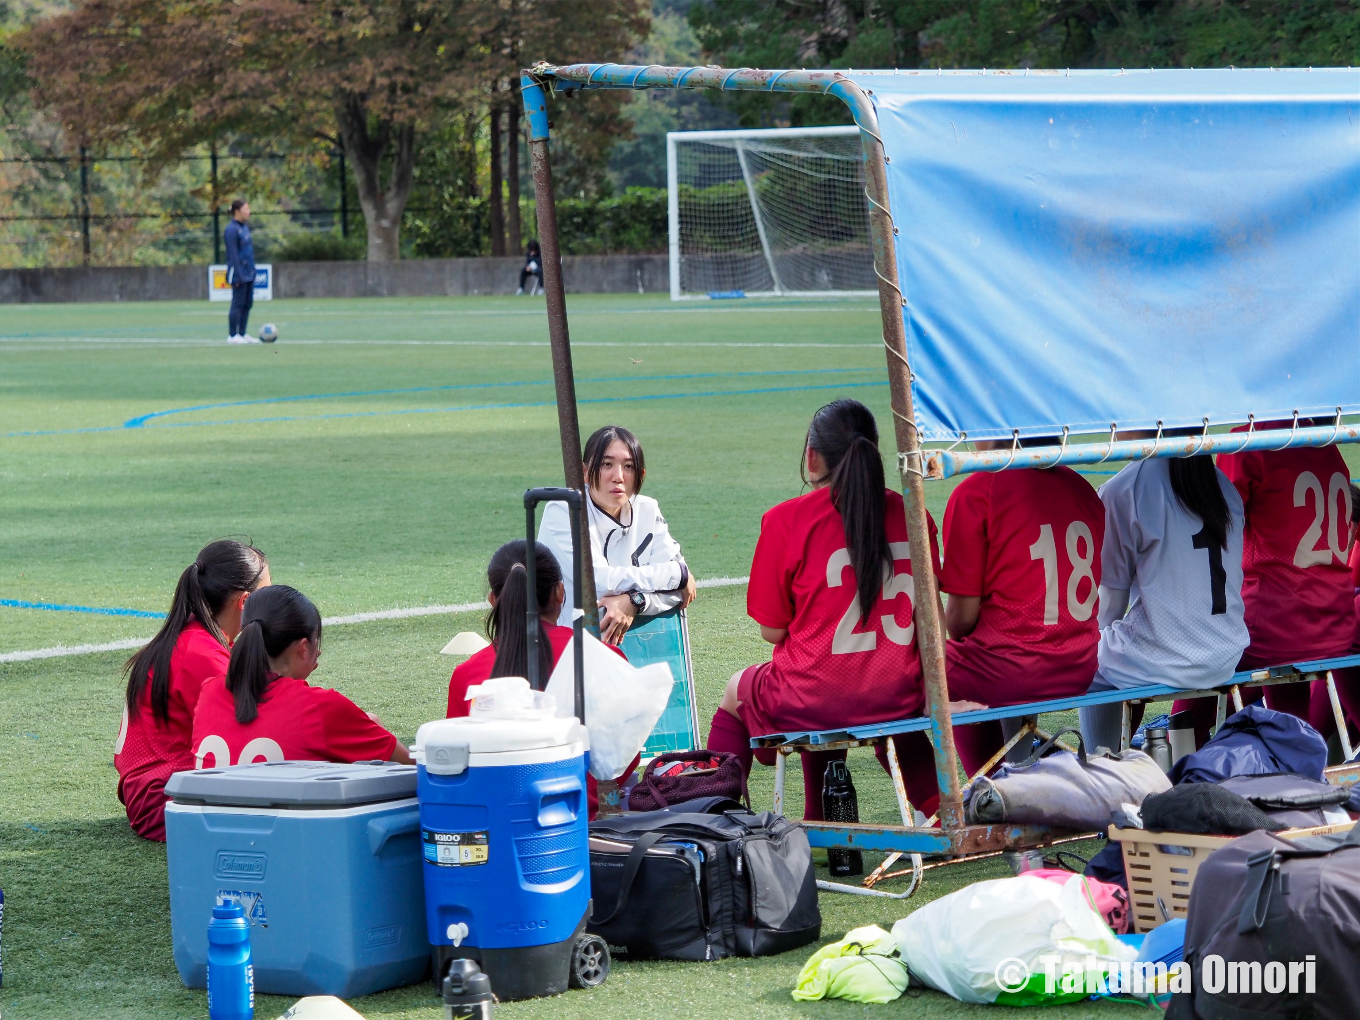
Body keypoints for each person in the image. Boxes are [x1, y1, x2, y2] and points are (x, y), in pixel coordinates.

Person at [705, 399, 944, 820]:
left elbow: (773, 630)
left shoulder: (786, 520)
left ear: (812, 458)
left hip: (814, 698)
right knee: (869, 692)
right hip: (898, 693)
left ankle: (715, 816)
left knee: (740, 690)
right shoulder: (914, 515)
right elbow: (932, 622)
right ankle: (944, 810)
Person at [1170, 432, 1357, 742]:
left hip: (1274, 625)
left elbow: (1215, 527)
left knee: (1199, 668)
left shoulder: (1250, 443)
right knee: (1283, 686)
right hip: (1332, 623)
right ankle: (1294, 751)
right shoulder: (1328, 446)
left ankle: (1173, 757)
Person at [940, 449, 1105, 775]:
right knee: (1003, 647)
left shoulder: (979, 490)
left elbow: (959, 623)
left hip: (1010, 672)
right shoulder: (1082, 488)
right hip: (1079, 665)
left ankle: (991, 786)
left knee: (914, 674)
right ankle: (1014, 769)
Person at [447, 539, 636, 818]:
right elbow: (625, 757)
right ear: (560, 592)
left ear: (493, 600)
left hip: (496, 826)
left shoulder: (466, 675)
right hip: (582, 824)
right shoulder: (603, 657)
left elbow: (458, 768)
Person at [1079, 449, 1248, 753]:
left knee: (1087, 659)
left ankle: (1101, 763)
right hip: (1227, 652)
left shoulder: (1127, 488)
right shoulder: (1224, 486)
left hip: (1168, 656)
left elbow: (1110, 605)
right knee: (1123, 650)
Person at [114, 539, 269, 840]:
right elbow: (258, 730)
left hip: (157, 793)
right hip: (167, 802)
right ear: (245, 601)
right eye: (268, 593)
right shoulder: (202, 654)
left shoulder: (193, 636)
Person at [192, 585, 412, 766]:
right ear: (304, 648)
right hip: (284, 810)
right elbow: (410, 767)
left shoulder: (210, 691)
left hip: (208, 809)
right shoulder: (320, 708)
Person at [538, 425, 696, 646]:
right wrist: (676, 573)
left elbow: (680, 592)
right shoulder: (562, 511)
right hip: (565, 647)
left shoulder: (648, 509)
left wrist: (635, 601)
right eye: (607, 464)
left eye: (628, 466)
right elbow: (597, 581)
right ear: (584, 472)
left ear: (641, 475)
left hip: (631, 647)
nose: (618, 477)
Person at [224, 199, 258, 344]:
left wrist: (252, 271)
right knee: (237, 304)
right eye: (246, 209)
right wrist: (239, 275)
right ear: (237, 211)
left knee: (247, 303)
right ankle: (233, 336)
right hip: (239, 273)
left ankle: (242, 334)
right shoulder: (231, 229)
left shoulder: (244, 228)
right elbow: (233, 255)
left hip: (249, 272)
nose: (249, 211)